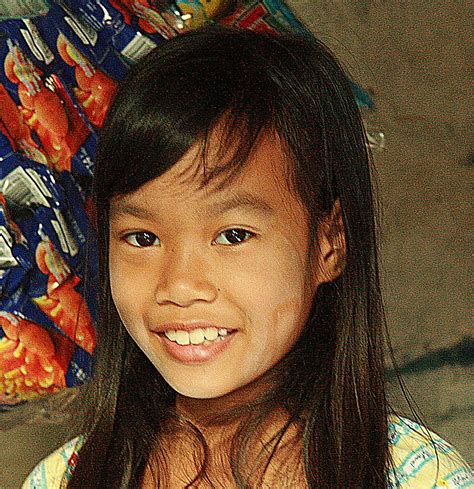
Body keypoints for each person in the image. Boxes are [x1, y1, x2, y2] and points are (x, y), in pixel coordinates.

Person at [23, 25, 472, 488]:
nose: (178, 285)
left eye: (233, 235)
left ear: (329, 243)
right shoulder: (62, 479)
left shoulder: (420, 477)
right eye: (142, 238)